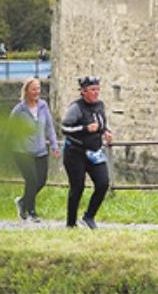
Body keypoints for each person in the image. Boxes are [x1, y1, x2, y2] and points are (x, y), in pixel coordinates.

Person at [61, 76, 112, 230]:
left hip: (94, 152)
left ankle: (89, 216)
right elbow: (64, 129)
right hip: (75, 153)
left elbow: (102, 125)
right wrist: (84, 129)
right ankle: (71, 224)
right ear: (83, 92)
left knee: (103, 183)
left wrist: (107, 132)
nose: (96, 93)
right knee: (77, 187)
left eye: (98, 89)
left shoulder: (100, 105)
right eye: (92, 90)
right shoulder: (76, 108)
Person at [9, 77, 60, 222]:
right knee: (31, 180)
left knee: (41, 181)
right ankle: (31, 212)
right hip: (22, 151)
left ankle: (23, 202)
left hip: (40, 150)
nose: (37, 92)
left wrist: (54, 145)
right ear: (26, 91)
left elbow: (49, 128)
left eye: (38, 88)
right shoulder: (19, 110)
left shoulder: (43, 106)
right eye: (34, 89)